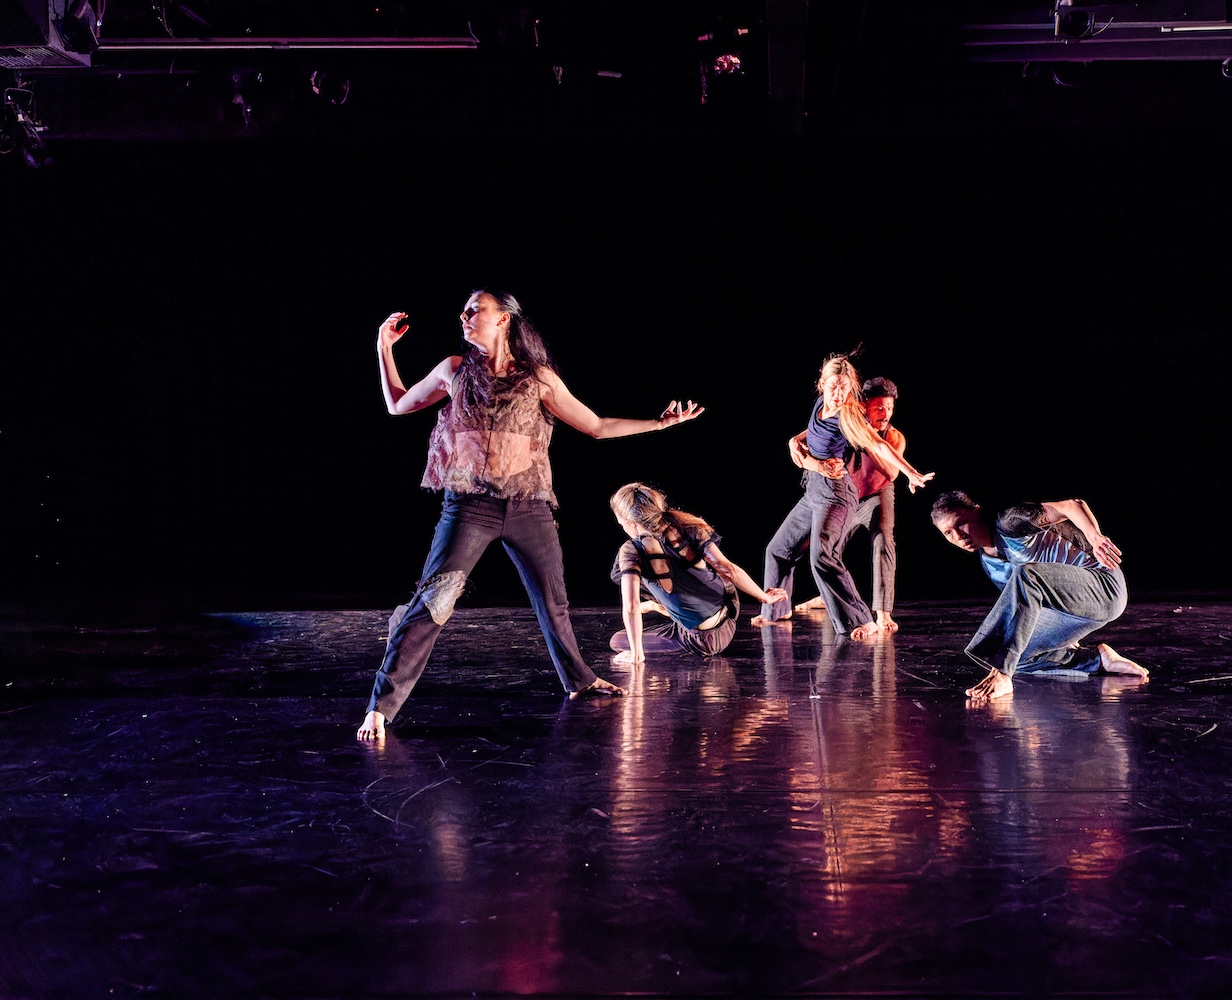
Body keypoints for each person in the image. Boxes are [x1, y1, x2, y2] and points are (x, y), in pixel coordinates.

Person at [356, 290, 703, 741]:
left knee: (553, 601)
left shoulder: (539, 378)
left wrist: (659, 424)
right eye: (464, 310)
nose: (464, 315)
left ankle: (579, 681)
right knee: (433, 603)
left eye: (475, 309)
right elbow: (397, 404)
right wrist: (384, 349)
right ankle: (381, 707)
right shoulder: (454, 371)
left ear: (504, 319)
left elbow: (595, 426)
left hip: (528, 507)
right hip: (470, 507)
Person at [755, 354, 934, 640]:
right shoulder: (819, 406)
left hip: (836, 495)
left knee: (822, 557)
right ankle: (778, 610)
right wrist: (795, 441)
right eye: (834, 387)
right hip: (813, 489)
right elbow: (811, 433)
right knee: (778, 549)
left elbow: (879, 444)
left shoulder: (848, 415)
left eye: (845, 388)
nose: (839, 394)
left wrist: (910, 472)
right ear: (822, 384)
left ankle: (863, 619)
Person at [929, 490, 1148, 702]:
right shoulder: (989, 564)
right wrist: (1061, 638)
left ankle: (1003, 675)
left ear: (976, 511)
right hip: (1075, 608)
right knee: (1014, 653)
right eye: (948, 533)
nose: (959, 536)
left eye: (960, 524)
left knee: (1026, 574)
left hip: (1104, 585)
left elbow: (1073, 505)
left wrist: (1095, 538)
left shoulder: (1010, 522)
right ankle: (1096, 660)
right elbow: (1027, 605)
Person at [608, 483, 788, 662]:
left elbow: (631, 606)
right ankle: (661, 607)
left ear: (631, 523)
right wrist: (764, 597)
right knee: (679, 576)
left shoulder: (631, 549)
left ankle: (670, 614)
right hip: (730, 612)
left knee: (617, 640)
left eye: (622, 524)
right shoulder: (685, 524)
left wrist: (636, 654)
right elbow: (728, 569)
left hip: (706, 641)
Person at [786, 376, 904, 631]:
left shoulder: (894, 437)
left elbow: (892, 473)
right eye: (879, 407)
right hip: (848, 495)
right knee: (829, 549)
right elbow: (809, 434)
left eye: (890, 408)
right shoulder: (846, 421)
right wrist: (795, 443)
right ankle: (831, 598)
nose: (885, 414)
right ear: (863, 406)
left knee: (883, 538)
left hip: (877, 494)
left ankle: (883, 612)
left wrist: (869, 439)